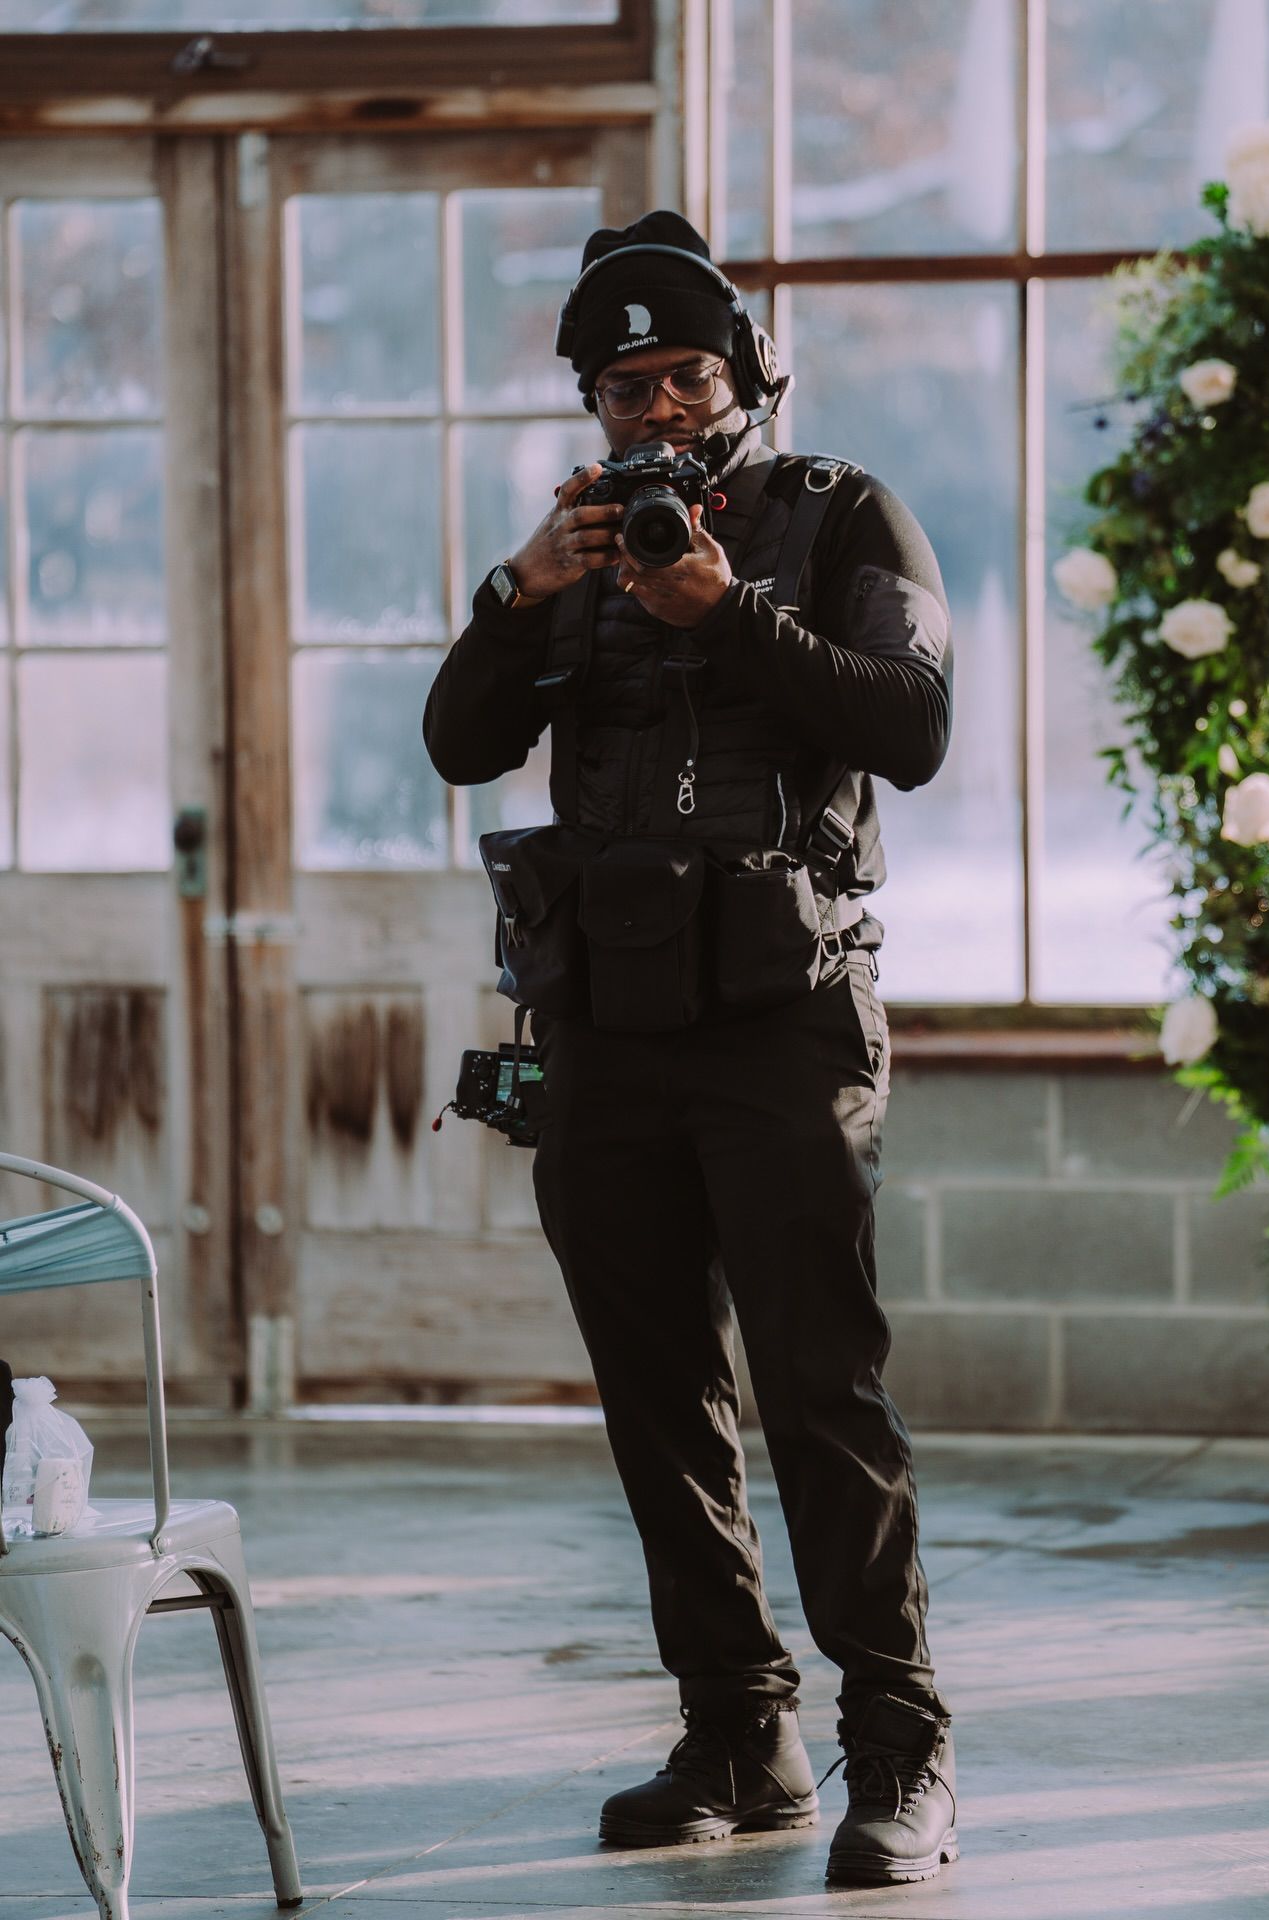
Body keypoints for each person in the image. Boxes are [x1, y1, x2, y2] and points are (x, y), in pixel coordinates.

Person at [423, 209, 956, 1889]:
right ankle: (739, 1732)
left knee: (819, 1391)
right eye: (620, 385)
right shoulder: (567, 557)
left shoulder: (841, 512)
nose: (653, 412)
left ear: (747, 378)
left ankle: (902, 1748)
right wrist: (523, 596)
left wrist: (730, 615)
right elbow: (455, 743)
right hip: (609, 1028)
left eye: (684, 374)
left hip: (785, 1027)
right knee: (659, 1402)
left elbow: (913, 725)